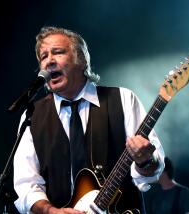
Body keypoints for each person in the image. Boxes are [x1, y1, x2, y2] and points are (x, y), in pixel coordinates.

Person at [13, 26, 165, 214]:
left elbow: (152, 170)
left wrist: (145, 161)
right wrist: (50, 211)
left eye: (58, 52)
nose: (49, 61)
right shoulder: (33, 115)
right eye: (43, 56)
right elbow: (26, 184)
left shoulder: (123, 99)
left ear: (82, 60)